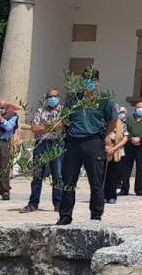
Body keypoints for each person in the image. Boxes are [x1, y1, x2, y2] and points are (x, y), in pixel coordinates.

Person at [58, 72, 119, 225]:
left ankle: (96, 215)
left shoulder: (104, 100)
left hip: (93, 142)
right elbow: (65, 119)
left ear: (97, 82)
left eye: (92, 80)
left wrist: (103, 135)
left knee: (96, 181)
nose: (89, 83)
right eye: (86, 80)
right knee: (68, 180)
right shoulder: (73, 99)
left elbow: (113, 121)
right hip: (73, 142)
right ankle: (65, 215)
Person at [22, 88, 64, 213]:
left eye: (55, 96)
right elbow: (34, 128)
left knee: (58, 175)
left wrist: (44, 127)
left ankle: (58, 204)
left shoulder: (63, 111)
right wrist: (50, 126)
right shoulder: (40, 110)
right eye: (50, 96)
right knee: (37, 175)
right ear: (46, 98)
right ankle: (33, 203)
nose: (52, 98)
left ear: (59, 97)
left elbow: (61, 125)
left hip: (56, 144)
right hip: (40, 144)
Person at [103, 115, 128, 204]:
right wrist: (106, 146)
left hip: (117, 151)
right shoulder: (103, 122)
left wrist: (114, 148)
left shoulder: (121, 124)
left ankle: (112, 196)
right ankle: (104, 195)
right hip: (105, 151)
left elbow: (125, 138)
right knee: (104, 175)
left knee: (114, 176)